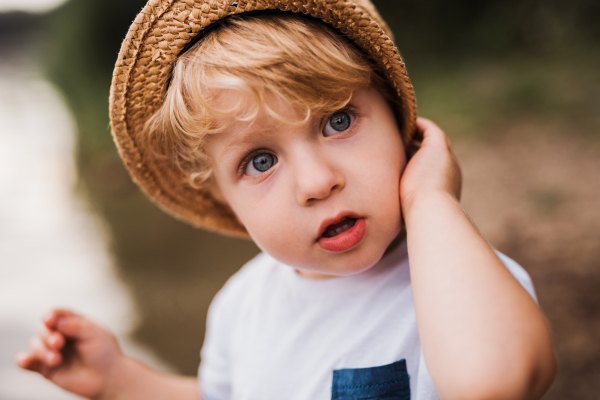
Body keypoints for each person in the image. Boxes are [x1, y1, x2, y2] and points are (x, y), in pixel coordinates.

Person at [16, 1, 557, 399]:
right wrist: (121, 381)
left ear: (400, 124)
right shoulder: (242, 306)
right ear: (224, 199)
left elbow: (495, 380)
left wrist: (431, 199)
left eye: (338, 121)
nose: (317, 182)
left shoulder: (459, 279)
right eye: (259, 161)